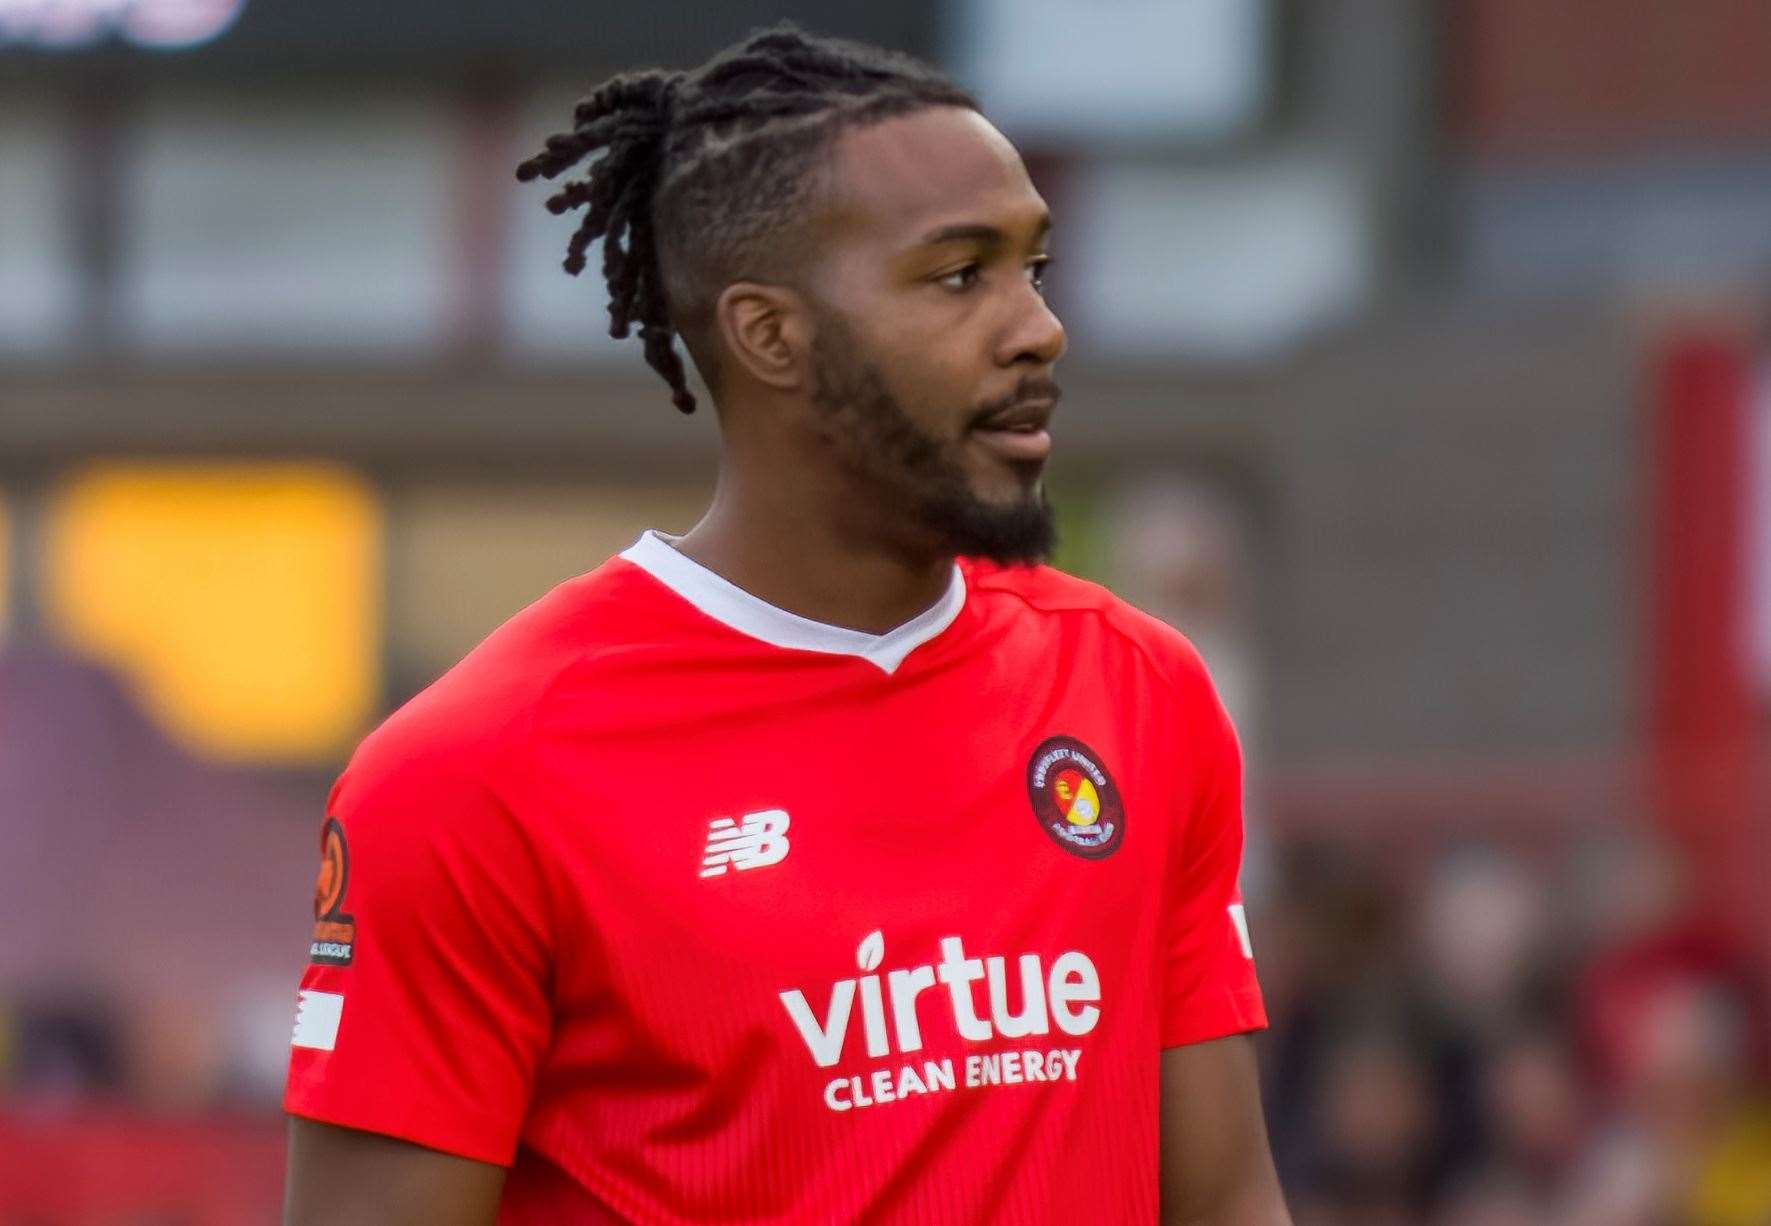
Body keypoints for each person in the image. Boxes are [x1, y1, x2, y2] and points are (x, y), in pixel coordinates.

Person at [282, 24, 1288, 1225]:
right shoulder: (474, 773)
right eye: (960, 274)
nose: (1036, 327)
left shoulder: (1137, 692)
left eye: (1034, 267)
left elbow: (1225, 1198)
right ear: (771, 335)